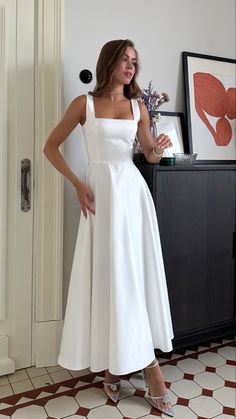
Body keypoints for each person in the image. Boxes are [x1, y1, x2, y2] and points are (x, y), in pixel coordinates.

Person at [43, 39, 175, 417]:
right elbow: (50, 147)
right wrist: (79, 184)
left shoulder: (139, 107)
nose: (131, 66)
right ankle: (112, 365)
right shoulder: (83, 104)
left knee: (130, 278)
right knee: (107, 278)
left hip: (131, 198)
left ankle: (145, 366)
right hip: (101, 198)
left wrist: (159, 147)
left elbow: (147, 153)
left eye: (135, 61)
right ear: (109, 62)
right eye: (125, 60)